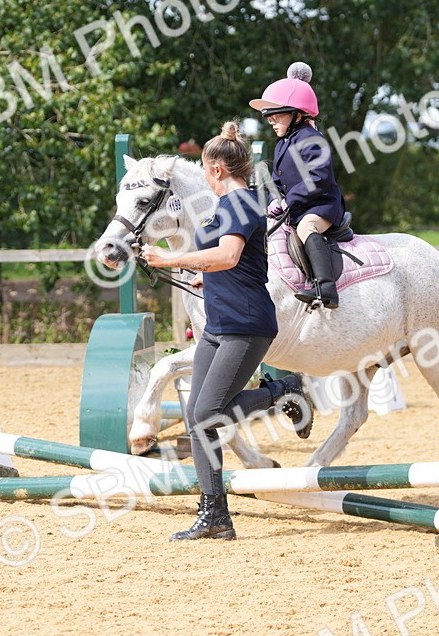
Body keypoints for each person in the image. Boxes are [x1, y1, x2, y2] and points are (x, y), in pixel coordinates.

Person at [141, 122, 313, 541]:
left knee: (207, 414)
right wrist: (204, 277)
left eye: (204, 169)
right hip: (218, 324)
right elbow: (229, 263)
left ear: (216, 169)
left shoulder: (241, 204)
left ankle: (283, 390)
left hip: (246, 325)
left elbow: (229, 254)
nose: (203, 176)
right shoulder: (222, 209)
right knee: (195, 416)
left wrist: (170, 260)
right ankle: (214, 513)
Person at [249, 61, 346, 309]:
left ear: (297, 113)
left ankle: (325, 286)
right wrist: (274, 200)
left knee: (306, 227)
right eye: (269, 116)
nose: (271, 120)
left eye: (276, 114)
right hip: (297, 207)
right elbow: (277, 181)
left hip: (322, 206)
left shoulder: (312, 139)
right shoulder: (283, 143)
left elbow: (319, 179)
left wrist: (288, 201)